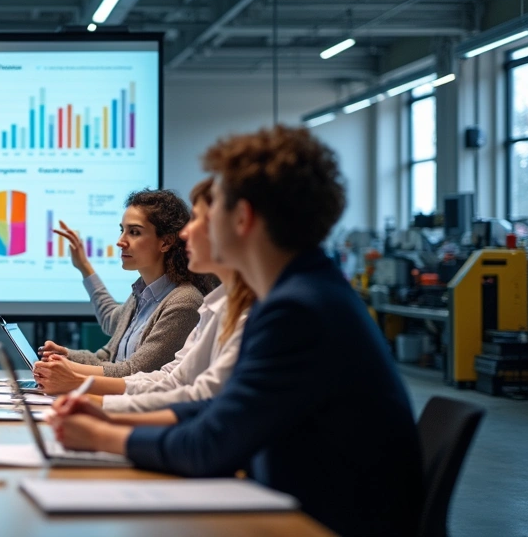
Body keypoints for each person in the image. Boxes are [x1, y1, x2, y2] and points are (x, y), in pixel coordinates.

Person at [50, 126, 423, 536]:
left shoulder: (297, 310)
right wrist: (109, 417)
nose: (189, 231)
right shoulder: (301, 293)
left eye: (209, 214)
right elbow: (216, 409)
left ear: (243, 218)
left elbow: (209, 444)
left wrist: (101, 435)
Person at [87, 178, 255, 412]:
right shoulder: (214, 304)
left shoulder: (189, 301)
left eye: (201, 220)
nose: (185, 233)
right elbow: (173, 380)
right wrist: (89, 394)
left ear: (241, 223)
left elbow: (200, 398)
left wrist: (88, 393)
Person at [33, 189, 213, 393]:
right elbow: (109, 349)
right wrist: (66, 356)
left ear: (166, 242)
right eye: (122, 230)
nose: (120, 241)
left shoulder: (184, 301)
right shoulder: (143, 292)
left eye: (134, 232)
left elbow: (133, 371)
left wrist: (69, 369)